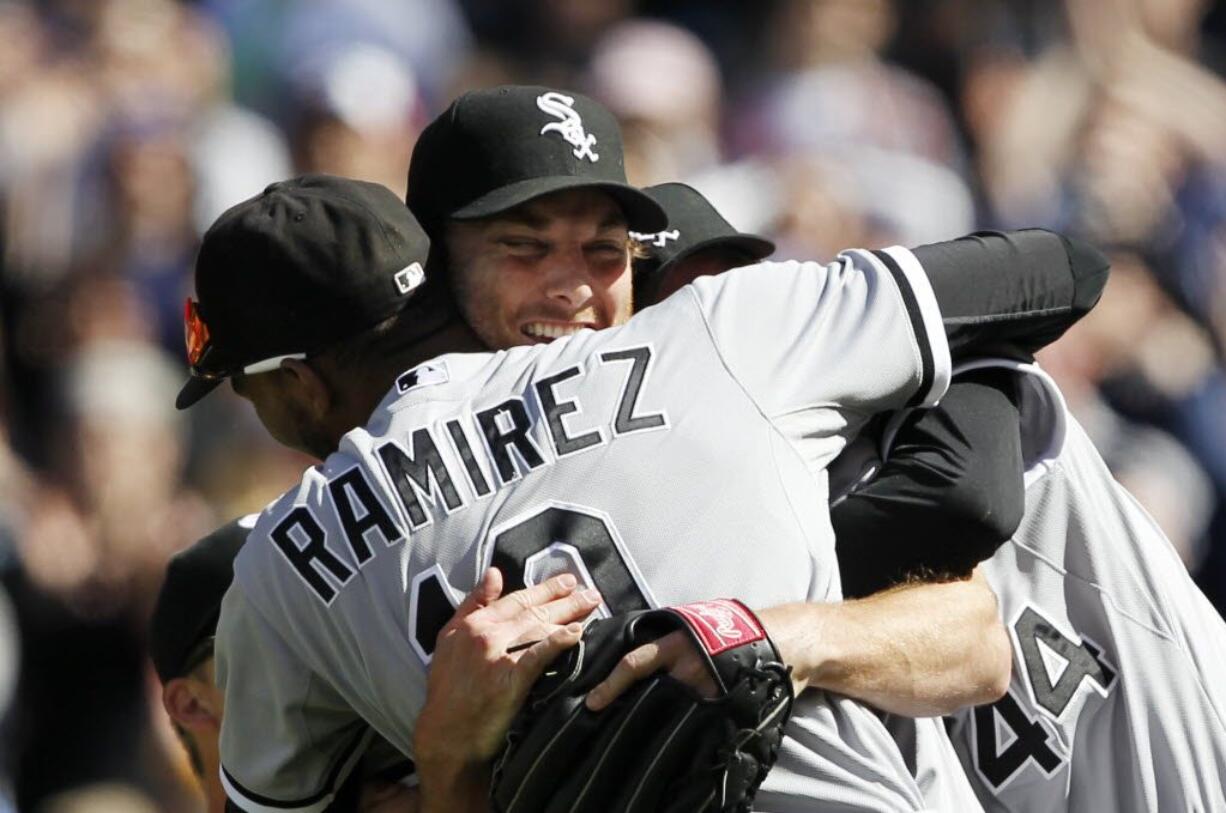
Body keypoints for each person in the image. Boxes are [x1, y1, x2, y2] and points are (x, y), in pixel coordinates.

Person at [176, 164, 1103, 810]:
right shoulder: (706, 337)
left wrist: (451, 761)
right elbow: (1061, 269)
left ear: (295, 380)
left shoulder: (277, 570)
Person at [628, 185, 1226, 811]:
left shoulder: (929, 362)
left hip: (1178, 752)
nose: (718, 325)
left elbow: (964, 497)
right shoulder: (744, 496)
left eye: (731, 287)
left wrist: (751, 613)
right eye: (678, 315)